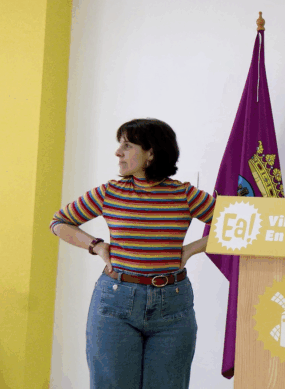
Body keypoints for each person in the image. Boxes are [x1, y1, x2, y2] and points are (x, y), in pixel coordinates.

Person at [50, 118, 216, 389]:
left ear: (151, 152)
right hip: (115, 303)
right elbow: (59, 222)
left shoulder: (184, 194)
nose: (118, 152)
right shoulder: (109, 192)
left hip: (173, 306)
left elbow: (237, 224)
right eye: (120, 145)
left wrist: (190, 250)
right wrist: (96, 245)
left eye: (127, 146)